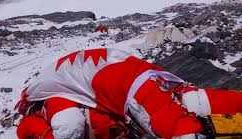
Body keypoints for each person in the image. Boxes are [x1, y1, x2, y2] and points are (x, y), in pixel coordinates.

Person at [15, 48, 242, 139]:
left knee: (177, 130)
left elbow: (69, 126)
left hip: (129, 89)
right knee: (193, 101)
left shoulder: (53, 98)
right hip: (142, 74)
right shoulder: (64, 82)